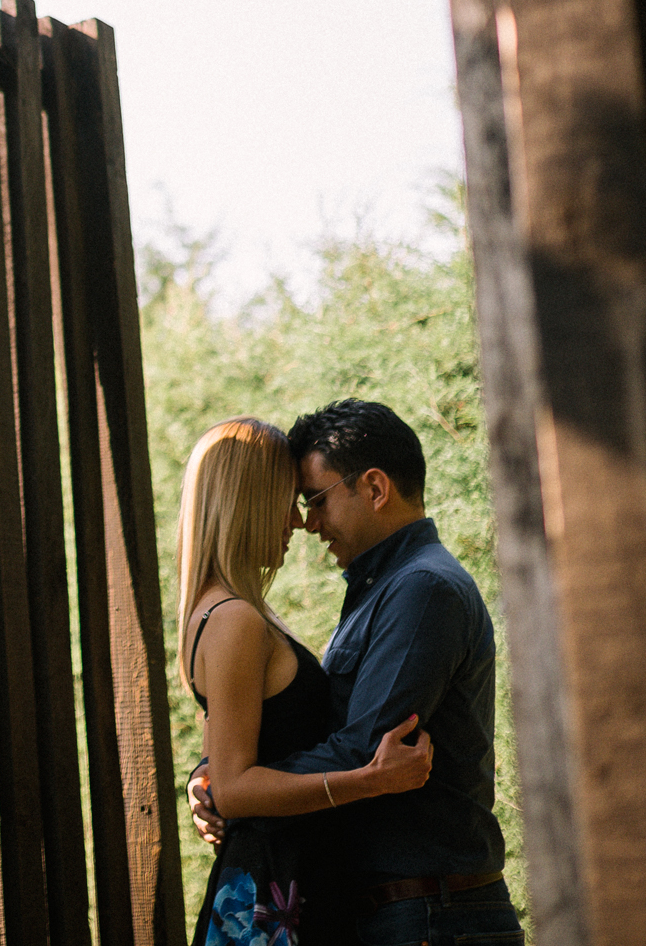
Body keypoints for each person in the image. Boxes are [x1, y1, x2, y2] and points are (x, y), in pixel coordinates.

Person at [191, 400, 519, 946]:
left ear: (373, 488)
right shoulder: (381, 588)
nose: (308, 523)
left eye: (316, 500)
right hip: (402, 913)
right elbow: (317, 730)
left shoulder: (422, 589)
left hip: (431, 914)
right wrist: (218, 772)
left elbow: (364, 749)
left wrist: (239, 784)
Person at [177, 417, 436, 946]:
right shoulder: (236, 620)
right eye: (289, 500)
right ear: (247, 501)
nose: (299, 523)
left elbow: (226, 765)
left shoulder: (219, 613)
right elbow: (236, 788)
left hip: (280, 885)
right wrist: (371, 779)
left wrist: (204, 776)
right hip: (275, 900)